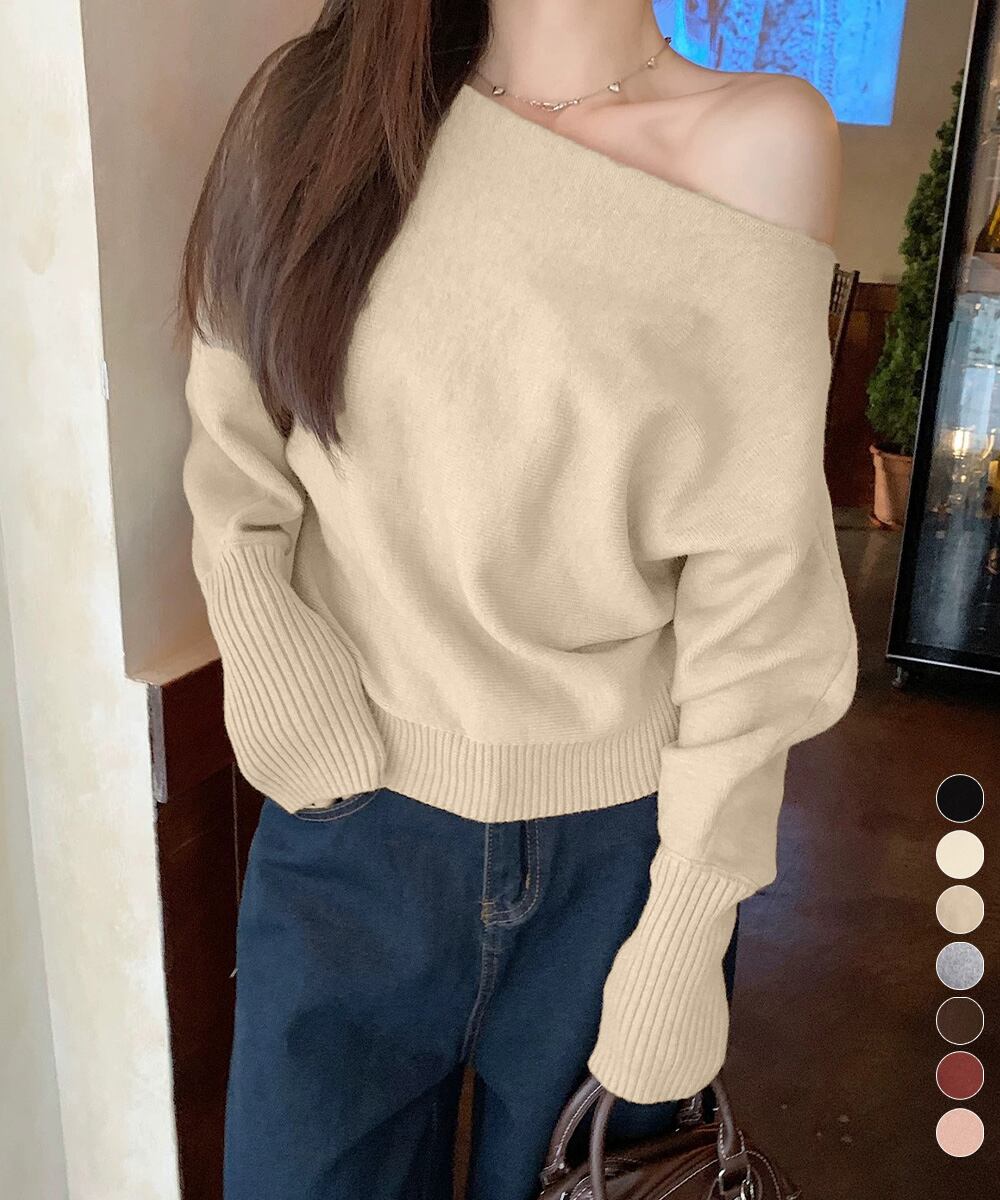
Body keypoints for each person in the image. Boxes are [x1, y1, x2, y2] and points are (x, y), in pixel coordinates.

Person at [178, 3, 858, 1198]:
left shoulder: (764, 139)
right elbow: (232, 434)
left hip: (621, 863)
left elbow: (756, 582)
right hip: (351, 825)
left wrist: (689, 915)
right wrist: (280, 677)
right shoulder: (321, 108)